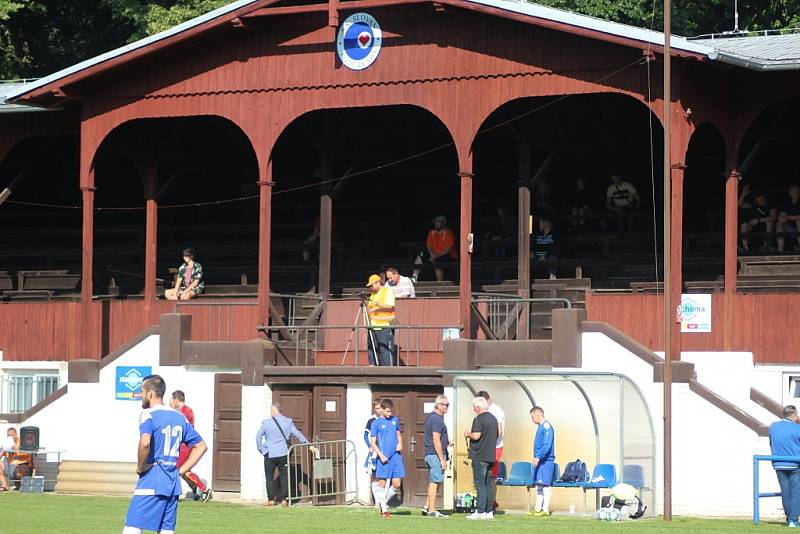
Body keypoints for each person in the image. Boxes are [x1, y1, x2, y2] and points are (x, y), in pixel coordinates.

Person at [122, 375, 208, 534]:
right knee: (166, 530)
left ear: (149, 394)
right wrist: (180, 471)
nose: (141, 395)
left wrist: (141, 467)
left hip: (152, 479)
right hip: (172, 484)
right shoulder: (180, 417)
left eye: (142, 391)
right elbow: (201, 446)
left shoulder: (148, 414)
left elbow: (145, 442)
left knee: (132, 527)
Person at [255, 403, 312, 507]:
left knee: (269, 477)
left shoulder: (267, 423)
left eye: (271, 411)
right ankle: (284, 500)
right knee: (285, 477)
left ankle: (271, 500)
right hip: (283, 453)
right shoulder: (288, 422)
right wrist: (308, 445)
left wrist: (262, 449)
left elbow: (258, 436)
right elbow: (298, 434)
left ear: (273, 411)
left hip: (269, 454)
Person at [169, 390, 211, 502]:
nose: (171, 403)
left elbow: (185, 428)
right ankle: (198, 489)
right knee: (184, 471)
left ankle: (203, 489)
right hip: (183, 445)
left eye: (172, 400)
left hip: (185, 445)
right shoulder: (183, 411)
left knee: (178, 468)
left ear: (177, 400)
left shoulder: (185, 411)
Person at [464, 396, 498, 520]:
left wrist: (468, 434)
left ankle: (480, 511)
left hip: (480, 455)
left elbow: (477, 436)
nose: (474, 410)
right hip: (491, 456)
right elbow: (497, 434)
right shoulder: (494, 419)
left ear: (478, 407)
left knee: (480, 484)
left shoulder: (478, 419)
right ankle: (489, 511)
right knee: (488, 484)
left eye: (474, 407)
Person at [370, 398, 404, 519]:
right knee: (382, 483)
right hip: (384, 457)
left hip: (396, 457)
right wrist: (381, 455)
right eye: (388, 411)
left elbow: (398, 435)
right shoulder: (376, 423)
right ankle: (384, 510)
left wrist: (400, 443)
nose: (390, 414)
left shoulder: (395, 420)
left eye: (391, 411)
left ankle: (383, 502)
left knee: (396, 483)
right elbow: (373, 443)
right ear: (382, 410)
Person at [769, 405, 800, 528]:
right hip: (794, 464)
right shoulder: (797, 428)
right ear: (793, 415)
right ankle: (793, 520)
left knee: (785, 492)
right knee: (796, 492)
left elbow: (772, 443)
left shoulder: (773, 427)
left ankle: (789, 518)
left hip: (778, 463)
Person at [422, 395, 450, 518]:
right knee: (435, 481)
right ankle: (432, 511)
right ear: (439, 405)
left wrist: (447, 441)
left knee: (435, 481)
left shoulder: (431, 418)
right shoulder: (437, 419)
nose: (447, 407)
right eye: (446, 405)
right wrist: (442, 460)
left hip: (431, 454)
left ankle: (426, 506)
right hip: (434, 455)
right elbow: (436, 440)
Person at [477, 391, 505, 511]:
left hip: (495, 447)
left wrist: (487, 442)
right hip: (487, 447)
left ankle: (490, 504)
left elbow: (499, 431)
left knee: (491, 476)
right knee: (483, 476)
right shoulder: (485, 411)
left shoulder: (496, 410)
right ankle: (485, 503)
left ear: (488, 400)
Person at [413, 215, 458, 282]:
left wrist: (436, 256)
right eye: (436, 222)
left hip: (447, 256)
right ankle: (414, 277)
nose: (436, 224)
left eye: (439, 222)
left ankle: (439, 283)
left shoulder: (448, 232)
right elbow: (429, 246)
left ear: (443, 223)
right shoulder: (431, 232)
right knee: (421, 254)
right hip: (433, 255)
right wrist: (432, 254)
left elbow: (449, 249)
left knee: (438, 261)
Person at [529, 405, 556, 517]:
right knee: (538, 485)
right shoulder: (540, 427)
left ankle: (545, 509)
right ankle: (538, 508)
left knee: (545, 484)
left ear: (538, 415)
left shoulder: (546, 426)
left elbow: (547, 444)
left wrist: (538, 456)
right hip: (540, 460)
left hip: (546, 461)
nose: (532, 419)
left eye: (532, 417)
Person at [365, 274, 396, 367]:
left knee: (384, 349)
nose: (371, 287)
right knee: (371, 348)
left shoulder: (388, 292)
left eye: (372, 285)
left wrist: (377, 304)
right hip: (373, 325)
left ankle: (387, 371)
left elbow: (390, 306)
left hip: (384, 324)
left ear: (378, 283)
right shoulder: (373, 294)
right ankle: (373, 367)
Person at [739, 184, 777, 252]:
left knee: (769, 223)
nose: (761, 201)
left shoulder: (771, 205)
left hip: (767, 227)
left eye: (762, 199)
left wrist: (758, 220)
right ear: (756, 201)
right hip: (755, 227)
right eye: (759, 200)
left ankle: (767, 245)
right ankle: (745, 247)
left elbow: (773, 218)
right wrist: (743, 194)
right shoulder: (754, 205)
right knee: (744, 225)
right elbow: (740, 205)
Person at [363, 400, 384, 497]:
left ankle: (383, 498)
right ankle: (376, 500)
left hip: (384, 450)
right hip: (374, 451)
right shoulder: (371, 420)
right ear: (374, 409)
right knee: (374, 475)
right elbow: (365, 435)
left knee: (383, 475)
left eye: (380, 408)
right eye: (377, 408)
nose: (379, 410)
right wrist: (370, 446)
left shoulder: (386, 419)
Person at [778, 185, 800, 252]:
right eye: (794, 192)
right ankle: (780, 252)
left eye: (798, 191)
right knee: (779, 226)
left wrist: (788, 217)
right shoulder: (786, 204)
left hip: (798, 228)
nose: (797, 193)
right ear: (790, 194)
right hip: (790, 229)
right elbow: (781, 218)